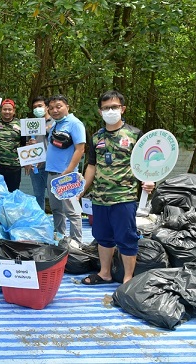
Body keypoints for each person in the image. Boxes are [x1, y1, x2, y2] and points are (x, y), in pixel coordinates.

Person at [81, 91, 155, 285]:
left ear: (123, 109)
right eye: (106, 108)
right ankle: (104, 273)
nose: (110, 111)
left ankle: (127, 280)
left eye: (114, 107)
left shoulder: (135, 134)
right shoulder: (96, 137)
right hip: (99, 198)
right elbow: (91, 166)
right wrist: (81, 189)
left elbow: (146, 163)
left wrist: (149, 182)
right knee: (103, 237)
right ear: (100, 111)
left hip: (124, 197)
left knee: (126, 237)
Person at [45, 94, 86, 242]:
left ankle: (77, 242)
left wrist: (69, 170)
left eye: (58, 106)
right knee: (56, 209)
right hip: (52, 173)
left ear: (67, 107)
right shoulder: (56, 124)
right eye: (51, 108)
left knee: (72, 211)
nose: (55, 110)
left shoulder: (75, 123)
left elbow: (80, 149)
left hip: (66, 174)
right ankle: (60, 238)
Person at [0, 98, 26, 192]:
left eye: (10, 109)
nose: (7, 112)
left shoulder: (21, 124)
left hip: (14, 166)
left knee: (13, 193)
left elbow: (24, 143)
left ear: (14, 111)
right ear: (1, 110)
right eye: (5, 109)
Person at [24, 96, 54, 210]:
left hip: (52, 165)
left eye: (40, 106)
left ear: (47, 107)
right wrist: (28, 161)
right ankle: (40, 221)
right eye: (34, 107)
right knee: (38, 195)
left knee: (54, 195)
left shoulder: (55, 122)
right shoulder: (31, 123)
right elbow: (26, 144)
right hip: (35, 164)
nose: (37, 109)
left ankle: (58, 223)